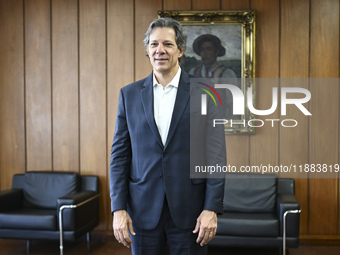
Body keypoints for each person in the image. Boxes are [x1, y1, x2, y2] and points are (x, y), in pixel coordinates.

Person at [110, 18, 226, 255]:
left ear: (180, 50)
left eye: (167, 44)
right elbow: (119, 156)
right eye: (154, 44)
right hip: (141, 213)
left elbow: (216, 157)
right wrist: (118, 208)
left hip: (190, 214)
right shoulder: (128, 95)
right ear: (147, 50)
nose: (159, 50)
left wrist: (211, 208)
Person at [189, 34, 238, 119]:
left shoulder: (227, 74)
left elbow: (233, 106)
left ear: (216, 52)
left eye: (209, 49)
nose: (204, 54)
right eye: (202, 50)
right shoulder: (193, 72)